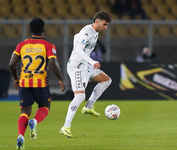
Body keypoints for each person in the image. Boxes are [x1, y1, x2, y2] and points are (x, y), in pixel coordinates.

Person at [9, 18, 65, 149]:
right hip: (40, 82)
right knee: (46, 104)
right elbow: (52, 63)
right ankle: (34, 121)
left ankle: (20, 137)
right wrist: (61, 79)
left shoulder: (22, 44)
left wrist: (16, 78)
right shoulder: (48, 45)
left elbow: (11, 64)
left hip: (24, 82)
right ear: (43, 30)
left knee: (25, 111)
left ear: (30, 30)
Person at [59, 10, 112, 138]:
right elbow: (78, 48)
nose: (105, 28)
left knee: (106, 80)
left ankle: (89, 107)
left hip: (85, 66)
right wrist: (92, 61)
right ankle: (65, 127)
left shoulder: (95, 33)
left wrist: (88, 62)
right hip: (76, 66)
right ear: (97, 21)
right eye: (104, 24)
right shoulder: (87, 32)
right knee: (80, 96)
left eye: (107, 25)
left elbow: (76, 37)